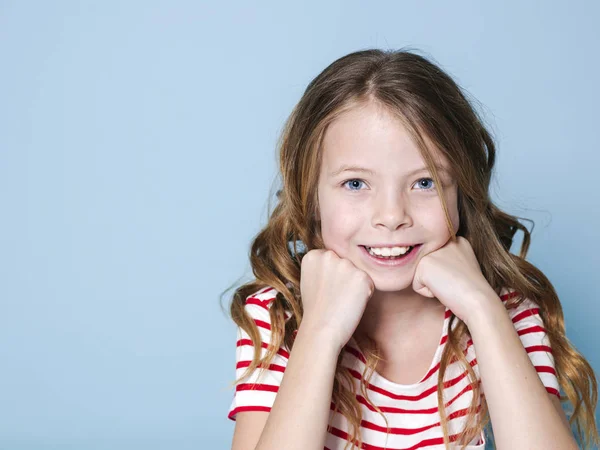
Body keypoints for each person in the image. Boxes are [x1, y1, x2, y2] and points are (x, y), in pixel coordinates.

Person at [222, 48, 599, 450]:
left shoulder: (504, 311)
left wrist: (482, 309)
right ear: (311, 197)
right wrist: (320, 331)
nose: (391, 216)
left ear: (461, 192)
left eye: (425, 183)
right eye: (355, 184)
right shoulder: (279, 317)